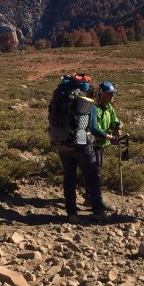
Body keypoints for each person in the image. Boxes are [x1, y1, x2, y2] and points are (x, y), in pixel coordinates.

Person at [54, 74, 117, 223]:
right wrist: (109, 137)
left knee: (69, 178)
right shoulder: (90, 105)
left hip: (62, 142)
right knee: (92, 178)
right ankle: (98, 212)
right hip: (82, 145)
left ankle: (71, 213)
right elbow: (94, 129)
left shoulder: (64, 100)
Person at [84, 81, 122, 205]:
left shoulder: (109, 107)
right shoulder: (95, 108)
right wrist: (110, 137)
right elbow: (95, 129)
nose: (112, 96)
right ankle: (94, 199)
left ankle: (89, 197)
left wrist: (118, 125)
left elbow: (113, 121)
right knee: (94, 173)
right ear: (102, 93)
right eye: (110, 93)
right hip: (93, 144)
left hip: (102, 145)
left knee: (95, 171)